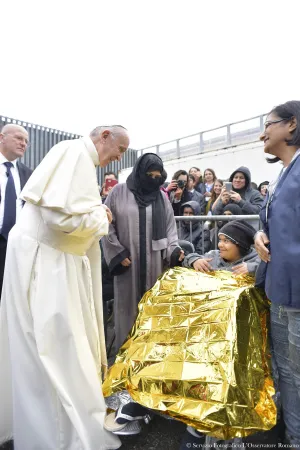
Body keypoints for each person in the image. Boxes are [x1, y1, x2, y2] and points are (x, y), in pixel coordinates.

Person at [0, 125, 130, 450]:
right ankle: (55, 435)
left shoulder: (77, 158)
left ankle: (38, 426)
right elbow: (63, 220)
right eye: (120, 147)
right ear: (104, 136)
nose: (119, 157)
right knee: (55, 344)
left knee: (39, 343)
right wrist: (102, 216)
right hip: (45, 262)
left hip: (46, 257)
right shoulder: (75, 153)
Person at [180, 219, 260, 449]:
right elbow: (187, 258)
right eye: (221, 238)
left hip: (243, 336)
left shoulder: (254, 261)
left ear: (243, 245)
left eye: (228, 241)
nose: (221, 244)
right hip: (210, 331)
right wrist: (193, 259)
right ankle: (195, 428)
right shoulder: (213, 257)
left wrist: (254, 270)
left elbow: (272, 269)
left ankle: (233, 431)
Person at [102, 153, 184, 351]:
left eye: (158, 176)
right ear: (140, 172)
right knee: (127, 312)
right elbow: (105, 224)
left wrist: (174, 251)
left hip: (155, 264)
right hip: (127, 265)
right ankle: (125, 358)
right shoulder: (118, 193)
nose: (153, 180)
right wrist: (117, 253)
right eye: (150, 175)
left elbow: (170, 229)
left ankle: (149, 361)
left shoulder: (161, 198)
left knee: (153, 310)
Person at [254, 100, 300, 447]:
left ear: (292, 124)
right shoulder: (284, 172)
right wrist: (258, 233)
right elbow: (268, 218)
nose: (263, 132)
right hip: (280, 292)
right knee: (286, 372)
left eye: (268, 123)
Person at [0, 124, 32, 296]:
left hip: (15, 247)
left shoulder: (28, 175)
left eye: (26, 141)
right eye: (19, 138)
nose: (23, 144)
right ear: (1, 137)